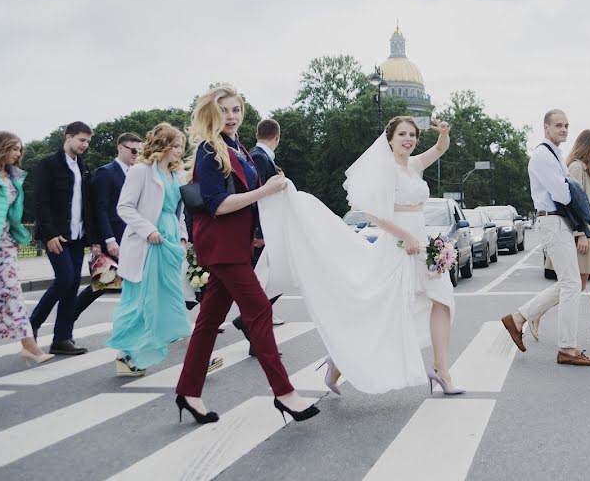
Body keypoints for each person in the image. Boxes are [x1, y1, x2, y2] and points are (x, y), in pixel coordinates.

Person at [257, 115, 462, 395]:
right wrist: (404, 235)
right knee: (385, 312)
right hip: (399, 245)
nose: (408, 139)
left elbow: (440, 150)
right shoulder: (385, 169)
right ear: (389, 139)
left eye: (412, 135)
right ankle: (341, 360)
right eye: (402, 134)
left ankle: (442, 370)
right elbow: (372, 214)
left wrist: (444, 134)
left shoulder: (414, 165)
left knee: (443, 301)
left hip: (423, 244)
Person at [175, 85, 316, 425]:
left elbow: (243, 202)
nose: (232, 116)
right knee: (258, 311)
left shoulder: (237, 148)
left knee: (208, 323)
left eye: (236, 109)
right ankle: (285, 393)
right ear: (211, 114)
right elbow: (217, 205)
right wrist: (264, 190)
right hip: (222, 247)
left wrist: (255, 230)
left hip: (235, 244)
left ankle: (188, 392)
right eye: (224, 110)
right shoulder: (211, 151)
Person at [500, 110, 590, 366]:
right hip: (552, 220)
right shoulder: (543, 155)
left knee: (569, 282)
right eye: (558, 125)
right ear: (545, 127)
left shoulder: (554, 153)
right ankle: (567, 348)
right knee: (570, 284)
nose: (564, 129)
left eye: (567, 125)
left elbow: (564, 188)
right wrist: (571, 186)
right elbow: (563, 194)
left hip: (559, 221)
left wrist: (567, 184)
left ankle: (519, 318)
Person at [106, 124, 194, 376]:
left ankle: (195, 357)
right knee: (139, 302)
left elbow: (177, 211)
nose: (179, 151)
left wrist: (183, 237)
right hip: (147, 243)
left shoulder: (176, 175)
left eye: (181, 147)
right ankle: (126, 354)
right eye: (176, 146)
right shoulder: (141, 171)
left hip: (169, 242)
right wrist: (148, 230)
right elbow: (124, 207)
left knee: (171, 297)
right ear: (163, 146)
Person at [528, 130, 590, 346]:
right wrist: (580, 233)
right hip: (586, 234)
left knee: (579, 284)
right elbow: (569, 203)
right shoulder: (575, 167)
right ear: (587, 145)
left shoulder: (585, 168)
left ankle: (535, 314)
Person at [0, 132, 55, 366]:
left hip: (5, 247)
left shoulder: (13, 177)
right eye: (14, 149)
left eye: (19, 149)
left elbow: (11, 215)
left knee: (13, 295)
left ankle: (29, 346)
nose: (18, 154)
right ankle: (29, 346)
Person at [29, 122, 99, 356]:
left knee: (72, 285)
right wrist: (49, 234)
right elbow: (40, 202)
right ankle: (32, 324)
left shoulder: (83, 167)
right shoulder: (48, 164)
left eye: (88, 141)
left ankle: (62, 339)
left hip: (78, 236)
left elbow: (87, 205)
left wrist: (94, 238)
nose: (85, 145)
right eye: (81, 140)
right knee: (65, 279)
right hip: (56, 235)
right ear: (68, 137)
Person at [73, 132, 142, 322]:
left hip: (133, 237)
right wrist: (108, 240)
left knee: (137, 283)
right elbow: (100, 209)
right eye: (134, 150)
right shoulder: (106, 172)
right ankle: (68, 319)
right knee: (102, 284)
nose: (137, 154)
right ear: (120, 148)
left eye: (140, 151)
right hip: (114, 238)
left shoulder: (136, 172)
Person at [232, 119, 284, 356]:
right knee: (270, 281)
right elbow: (257, 198)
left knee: (268, 282)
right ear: (277, 137)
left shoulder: (256, 156)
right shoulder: (261, 159)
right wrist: (259, 233)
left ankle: (253, 332)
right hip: (262, 232)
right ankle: (249, 324)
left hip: (264, 230)